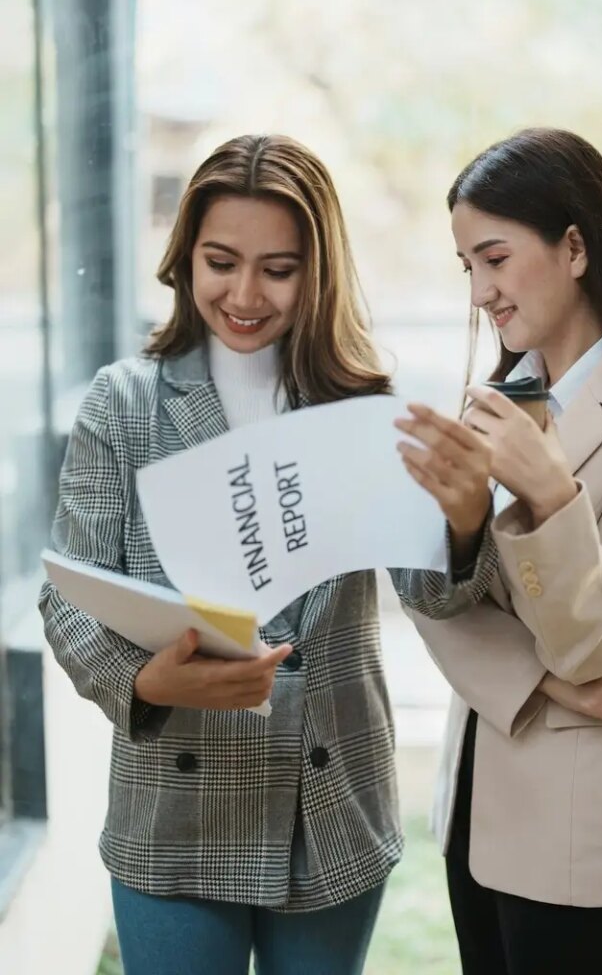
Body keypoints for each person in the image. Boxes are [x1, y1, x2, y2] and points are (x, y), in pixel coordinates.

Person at [39, 133, 500, 975]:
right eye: (221, 261)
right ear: (184, 260)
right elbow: (68, 599)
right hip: (176, 796)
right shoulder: (126, 403)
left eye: (278, 270)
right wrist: (144, 682)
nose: (245, 294)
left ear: (316, 273)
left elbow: (431, 595)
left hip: (330, 793)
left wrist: (467, 520)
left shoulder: (364, 408)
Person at [396, 127, 602, 975]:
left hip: (582, 828)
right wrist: (537, 679)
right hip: (477, 807)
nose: (480, 292)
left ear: (575, 246)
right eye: (467, 265)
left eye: (495, 259)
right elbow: (428, 596)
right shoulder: (491, 408)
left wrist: (550, 493)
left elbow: (595, 643)